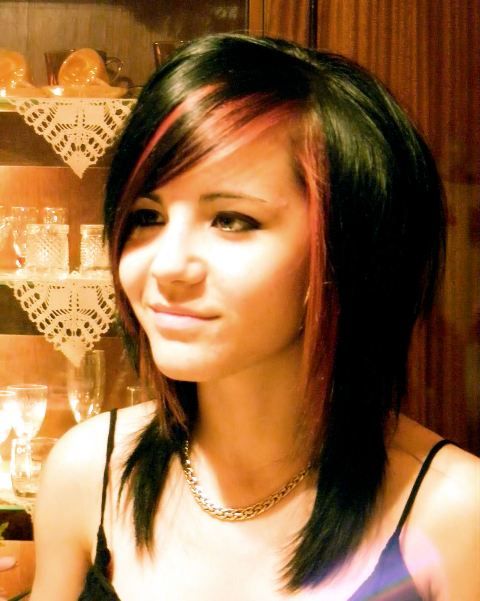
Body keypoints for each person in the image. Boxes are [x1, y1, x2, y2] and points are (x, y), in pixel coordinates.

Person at [30, 34, 479, 600]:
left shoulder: (454, 515)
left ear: (348, 248)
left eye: (232, 220)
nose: (167, 265)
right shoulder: (88, 471)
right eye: (147, 216)